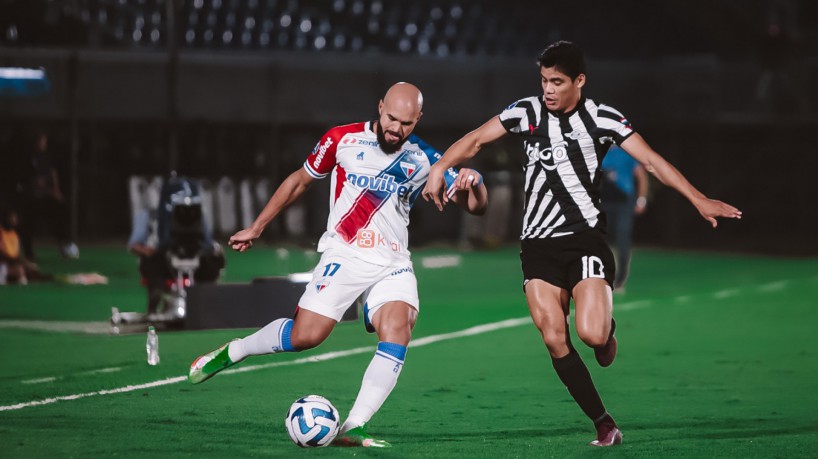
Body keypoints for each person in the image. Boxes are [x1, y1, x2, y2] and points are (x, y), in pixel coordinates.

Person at [422, 41, 742, 447]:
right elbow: (475, 140)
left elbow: (652, 160)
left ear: (580, 81)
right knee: (554, 337)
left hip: (585, 242)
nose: (548, 90)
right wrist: (440, 167)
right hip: (537, 245)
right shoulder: (527, 112)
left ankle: (607, 334)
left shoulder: (603, 118)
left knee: (591, 336)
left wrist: (698, 198)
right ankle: (603, 422)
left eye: (557, 82)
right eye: (543, 81)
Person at [187, 82, 488, 448]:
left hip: (392, 261)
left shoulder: (425, 159)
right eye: (391, 118)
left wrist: (475, 182)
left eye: (406, 123)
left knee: (399, 328)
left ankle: (354, 426)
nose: (396, 128)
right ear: (380, 107)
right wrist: (258, 226)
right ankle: (235, 351)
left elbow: (475, 206)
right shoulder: (342, 139)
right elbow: (300, 181)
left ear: (418, 120)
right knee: (305, 336)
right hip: (344, 255)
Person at [127, 175, 224, 321]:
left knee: (212, 263)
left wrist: (214, 252)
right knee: (153, 266)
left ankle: (208, 307)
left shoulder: (196, 216)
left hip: (194, 257)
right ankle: (153, 310)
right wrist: (150, 251)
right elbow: (133, 245)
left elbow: (208, 243)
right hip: (163, 260)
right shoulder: (149, 216)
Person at [15, 131, 79, 260]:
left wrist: (56, 190)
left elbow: (53, 172)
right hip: (32, 198)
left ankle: (65, 246)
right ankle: (28, 252)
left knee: (58, 220)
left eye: (45, 141)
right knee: (29, 225)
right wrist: (39, 184)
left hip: (46, 197)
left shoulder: (46, 156)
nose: (43, 143)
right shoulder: (29, 157)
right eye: (42, 141)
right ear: (36, 141)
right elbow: (29, 179)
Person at [600, 145, 648, 292]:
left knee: (622, 238)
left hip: (624, 202)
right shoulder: (599, 152)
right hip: (605, 202)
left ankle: (620, 280)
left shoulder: (627, 152)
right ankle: (601, 277)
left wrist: (641, 199)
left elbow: (641, 176)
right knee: (600, 240)